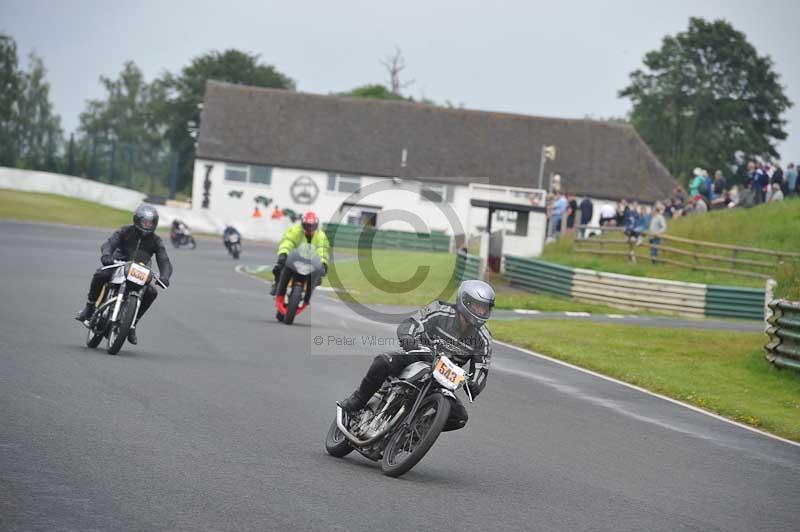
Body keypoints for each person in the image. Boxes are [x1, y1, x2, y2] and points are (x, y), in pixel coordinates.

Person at [338, 280, 495, 432]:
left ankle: (415, 433)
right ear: (464, 301)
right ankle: (357, 401)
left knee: (459, 418)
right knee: (383, 361)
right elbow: (412, 323)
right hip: (419, 357)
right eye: (477, 306)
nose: (481, 312)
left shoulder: (484, 338)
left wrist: (474, 384)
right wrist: (409, 338)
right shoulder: (439, 309)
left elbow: (482, 370)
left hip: (444, 379)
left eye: (484, 308)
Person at [75, 205, 172, 345]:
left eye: (150, 223)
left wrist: (165, 276)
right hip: (118, 263)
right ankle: (89, 308)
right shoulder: (125, 231)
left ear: (155, 224)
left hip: (139, 270)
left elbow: (164, 260)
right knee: (101, 275)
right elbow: (109, 243)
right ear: (137, 220)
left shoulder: (156, 241)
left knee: (151, 292)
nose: (147, 225)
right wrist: (107, 255)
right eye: (145, 222)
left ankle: (132, 324)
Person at [270, 211, 330, 296]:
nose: (310, 228)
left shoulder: (321, 235)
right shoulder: (295, 230)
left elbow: (323, 249)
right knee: (278, 267)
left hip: (311, 261)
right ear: (303, 224)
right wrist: (283, 253)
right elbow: (288, 241)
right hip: (294, 257)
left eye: (312, 226)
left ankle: (307, 294)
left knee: (318, 278)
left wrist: (323, 263)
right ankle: (276, 284)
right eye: (307, 226)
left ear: (316, 226)